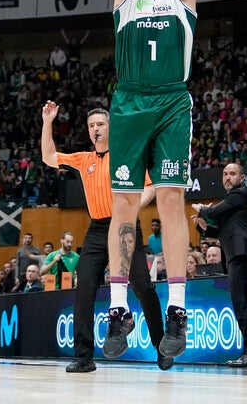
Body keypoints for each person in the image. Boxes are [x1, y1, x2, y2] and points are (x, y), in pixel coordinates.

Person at [69, 0, 197, 360]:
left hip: (169, 102)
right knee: (124, 203)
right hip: (127, 102)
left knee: (169, 200)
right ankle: (118, 310)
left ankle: (177, 311)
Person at [41, 101, 170, 372]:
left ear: (111, 127)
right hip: (97, 230)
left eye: (100, 124)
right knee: (84, 286)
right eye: (91, 126)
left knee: (143, 286)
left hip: (124, 227)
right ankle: (84, 357)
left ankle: (162, 347)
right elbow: (48, 157)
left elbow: (150, 187)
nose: (95, 129)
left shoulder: (127, 155)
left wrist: (131, 208)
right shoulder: (83, 159)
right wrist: (47, 122)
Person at [192, 162, 247, 367]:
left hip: (241, 255)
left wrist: (203, 210)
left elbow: (213, 213)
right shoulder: (234, 201)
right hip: (238, 255)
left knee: (242, 305)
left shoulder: (240, 195)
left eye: (232, 174)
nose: (227, 177)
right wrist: (205, 227)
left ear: (242, 178)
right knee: (244, 304)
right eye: (224, 174)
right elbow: (221, 232)